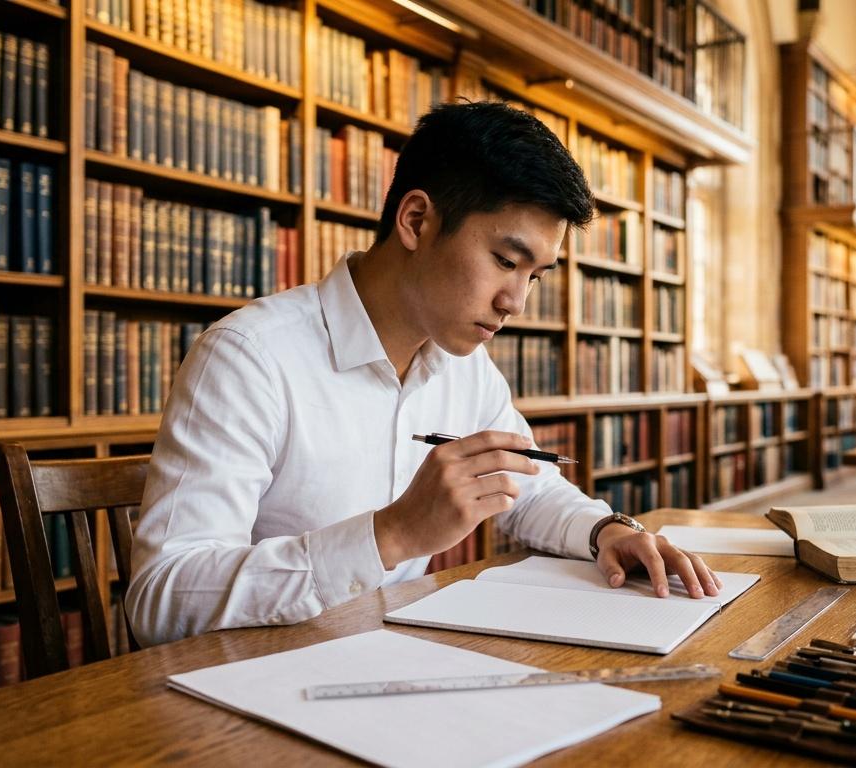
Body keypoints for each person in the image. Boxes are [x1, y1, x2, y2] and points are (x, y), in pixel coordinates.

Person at [125, 102, 722, 647]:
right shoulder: (248, 356)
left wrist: (606, 531)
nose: (516, 301)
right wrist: (391, 535)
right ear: (415, 220)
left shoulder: (465, 366)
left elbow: (527, 485)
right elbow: (161, 597)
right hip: (244, 685)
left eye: (534, 276)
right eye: (506, 262)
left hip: (387, 652)